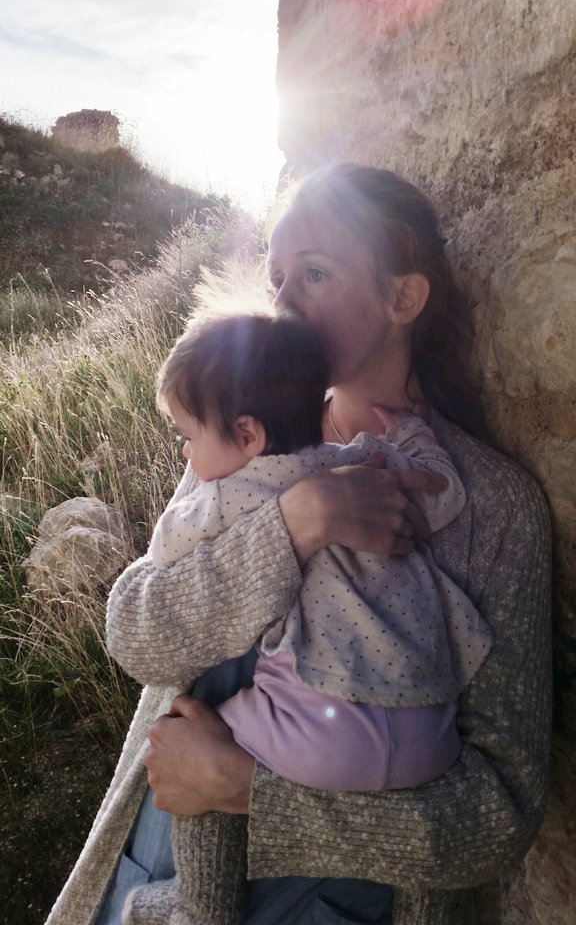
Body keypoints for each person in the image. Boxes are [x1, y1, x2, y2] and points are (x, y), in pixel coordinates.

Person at [45, 164, 551, 925]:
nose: (283, 301)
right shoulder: (243, 436)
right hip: (160, 851)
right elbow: (136, 632)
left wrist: (242, 788)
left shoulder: (492, 507)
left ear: (402, 298)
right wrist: (294, 525)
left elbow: (496, 815)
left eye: (314, 274)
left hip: (341, 903)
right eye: (277, 276)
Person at [107, 310, 491, 925]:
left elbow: (147, 584)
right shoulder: (369, 462)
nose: (184, 451)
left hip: (320, 740)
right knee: (425, 872)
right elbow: (442, 489)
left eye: (186, 435)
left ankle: (199, 906)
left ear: (249, 434)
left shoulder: (222, 495)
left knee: (194, 744)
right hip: (431, 739)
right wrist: (414, 438)